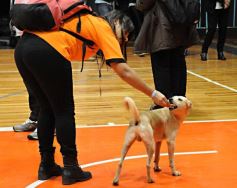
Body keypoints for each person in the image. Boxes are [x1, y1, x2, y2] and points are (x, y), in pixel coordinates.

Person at [14, 9, 171, 185]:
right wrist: (153, 93)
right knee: (64, 111)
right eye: (125, 35)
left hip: (22, 49)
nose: (124, 40)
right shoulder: (103, 26)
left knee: (47, 109)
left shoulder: (89, 22)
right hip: (46, 51)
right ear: (118, 23)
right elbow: (123, 70)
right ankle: (71, 167)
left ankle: (47, 165)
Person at [134, 0, 199, 109]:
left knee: (161, 66)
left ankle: (164, 103)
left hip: (161, 28)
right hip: (180, 28)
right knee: (178, 64)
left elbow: (143, 4)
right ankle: (180, 102)